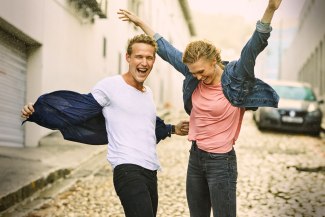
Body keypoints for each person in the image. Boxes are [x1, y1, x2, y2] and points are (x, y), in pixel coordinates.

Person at [118, 0, 281, 216]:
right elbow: (165, 49)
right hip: (196, 157)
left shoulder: (237, 76)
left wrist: (270, 9)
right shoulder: (192, 74)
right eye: (193, 72)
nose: (198, 77)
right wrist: (140, 22)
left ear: (214, 61)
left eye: (201, 71)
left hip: (222, 162)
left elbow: (255, 44)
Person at [21, 34, 189, 217]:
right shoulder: (110, 86)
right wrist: (38, 112)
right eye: (139, 56)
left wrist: (173, 129)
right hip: (127, 169)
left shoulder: (147, 93)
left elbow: (148, 126)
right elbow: (78, 108)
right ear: (128, 58)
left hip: (150, 170)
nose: (144, 62)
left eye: (149, 57)